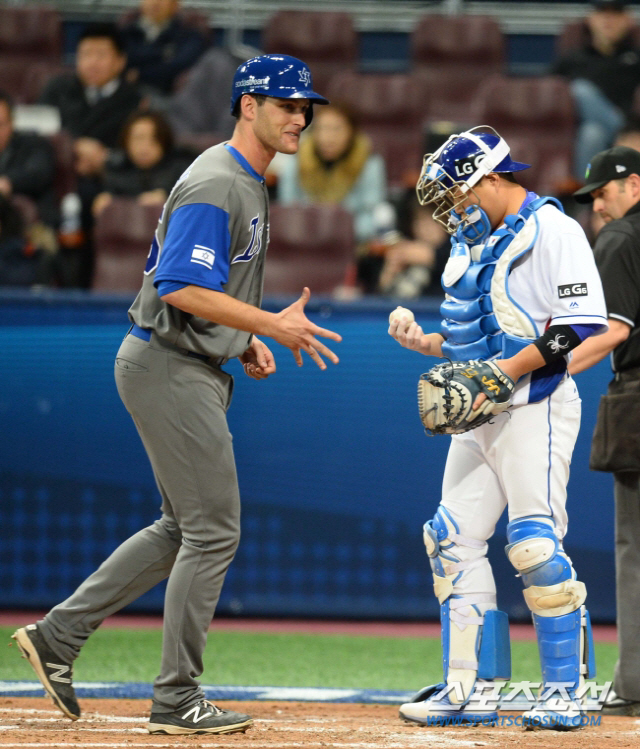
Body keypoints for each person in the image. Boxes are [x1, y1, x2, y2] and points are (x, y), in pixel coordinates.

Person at [12, 54, 341, 735]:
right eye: (285, 104)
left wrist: (238, 337)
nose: (300, 117)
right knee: (215, 528)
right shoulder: (219, 180)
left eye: (304, 106)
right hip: (168, 364)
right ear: (246, 106)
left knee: (181, 528)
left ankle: (57, 638)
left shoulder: (245, 180)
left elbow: (206, 291)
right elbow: (178, 287)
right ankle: (176, 696)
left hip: (184, 360)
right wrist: (270, 325)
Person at [390, 126, 608, 729]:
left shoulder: (554, 230)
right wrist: (426, 343)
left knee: (535, 544)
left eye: (458, 194)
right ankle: (473, 688)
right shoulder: (470, 242)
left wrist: (501, 372)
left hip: (535, 404)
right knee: (451, 539)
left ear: (491, 178)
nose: (452, 210)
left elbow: (578, 328)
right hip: (484, 412)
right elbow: (471, 336)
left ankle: (567, 691)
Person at [570, 146, 640, 717]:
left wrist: (543, 369)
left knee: (635, 550)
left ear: (633, 187)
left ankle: (635, 684)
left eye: (602, 193)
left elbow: (614, 331)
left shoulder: (619, 240)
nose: (596, 206)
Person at [39, 23, 143, 287]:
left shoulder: (134, 100)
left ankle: (84, 286)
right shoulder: (57, 90)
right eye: (85, 54)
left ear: (120, 61)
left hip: (106, 182)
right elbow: (39, 134)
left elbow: (141, 151)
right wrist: (72, 149)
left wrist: (104, 159)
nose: (91, 62)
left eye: (100, 55)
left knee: (86, 203)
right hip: (56, 176)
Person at [277, 102, 387, 245]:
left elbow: (373, 217)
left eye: (336, 129)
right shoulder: (296, 162)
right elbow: (287, 211)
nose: (328, 137)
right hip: (303, 242)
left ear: (352, 132)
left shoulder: (370, 165)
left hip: (351, 244)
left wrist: (333, 231)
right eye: (322, 128)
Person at [552, 0, 640, 179]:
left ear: (627, 20)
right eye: (601, 12)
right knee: (592, 132)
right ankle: (588, 197)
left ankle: (584, 198)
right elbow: (549, 93)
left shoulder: (636, 58)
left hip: (629, 126)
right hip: (579, 129)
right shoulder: (573, 59)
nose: (608, 18)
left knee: (581, 89)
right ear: (590, 19)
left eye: (615, 12)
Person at [93, 111, 191, 216]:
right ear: (126, 141)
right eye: (139, 139)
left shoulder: (182, 167)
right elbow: (109, 194)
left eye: (153, 139)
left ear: (164, 141)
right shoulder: (117, 168)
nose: (145, 147)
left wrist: (169, 198)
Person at [120, 0, 208, 97]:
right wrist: (162, 53)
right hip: (126, 94)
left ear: (175, 5)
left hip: (170, 96)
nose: (155, 2)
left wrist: (139, 74)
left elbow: (180, 65)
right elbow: (123, 60)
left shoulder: (188, 34)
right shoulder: (125, 32)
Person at [0, 91, 57, 228]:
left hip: (29, 229)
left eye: (0, 125)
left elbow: (38, 173)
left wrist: (9, 182)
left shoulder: (33, 144)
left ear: (12, 123)